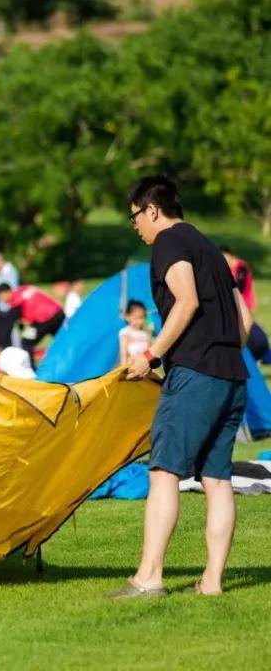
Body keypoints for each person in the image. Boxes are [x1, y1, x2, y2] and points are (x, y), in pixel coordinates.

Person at [110, 176, 253, 599]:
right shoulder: (208, 246)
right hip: (232, 375)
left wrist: (152, 355)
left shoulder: (169, 243)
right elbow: (243, 319)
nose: (135, 225)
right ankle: (211, 583)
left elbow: (186, 301)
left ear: (151, 210)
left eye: (135, 216)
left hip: (195, 375)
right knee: (218, 479)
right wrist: (221, 352)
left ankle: (149, 578)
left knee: (163, 471)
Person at [0, 284, 66, 356]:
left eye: (1, 297)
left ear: (5, 293)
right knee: (64, 339)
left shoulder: (16, 299)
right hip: (58, 313)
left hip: (43, 320)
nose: (2, 300)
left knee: (26, 343)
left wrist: (1, 345)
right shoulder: (24, 289)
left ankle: (30, 366)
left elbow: (9, 322)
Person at [221, 246, 256, 312]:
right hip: (235, 304)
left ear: (230, 256)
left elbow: (240, 286)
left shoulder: (241, 267)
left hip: (244, 304)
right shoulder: (229, 268)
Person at [118, 300, 152, 365]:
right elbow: (123, 351)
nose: (139, 321)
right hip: (131, 363)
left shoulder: (145, 334)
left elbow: (148, 351)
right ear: (127, 317)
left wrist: (152, 365)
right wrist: (124, 366)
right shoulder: (125, 332)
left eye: (142, 317)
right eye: (136, 318)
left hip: (145, 364)